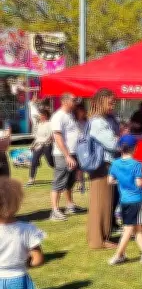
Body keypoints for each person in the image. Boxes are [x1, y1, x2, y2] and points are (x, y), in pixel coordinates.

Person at [107, 135, 142, 266]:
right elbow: (139, 183)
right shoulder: (137, 164)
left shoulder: (115, 163)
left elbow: (110, 180)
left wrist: (122, 181)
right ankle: (118, 255)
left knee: (137, 228)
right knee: (129, 229)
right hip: (137, 200)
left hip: (124, 200)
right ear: (135, 149)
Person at [86, 89, 121, 250]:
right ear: (101, 102)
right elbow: (113, 144)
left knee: (106, 202)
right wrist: (122, 137)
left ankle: (103, 236)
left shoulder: (107, 119)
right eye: (110, 102)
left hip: (107, 165)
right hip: (101, 166)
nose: (113, 104)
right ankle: (98, 240)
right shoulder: (98, 122)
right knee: (100, 204)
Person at [49, 93, 80, 221]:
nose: (76, 102)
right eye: (73, 100)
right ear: (65, 101)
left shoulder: (70, 115)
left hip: (73, 153)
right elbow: (58, 137)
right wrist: (67, 155)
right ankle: (54, 211)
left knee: (69, 182)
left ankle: (69, 205)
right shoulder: (58, 116)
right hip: (63, 155)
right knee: (59, 181)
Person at [27, 109, 53, 187]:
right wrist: (32, 145)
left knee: (51, 162)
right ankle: (31, 179)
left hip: (47, 145)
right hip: (38, 145)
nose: (40, 116)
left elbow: (51, 136)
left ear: (45, 116)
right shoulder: (38, 124)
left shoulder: (50, 124)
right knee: (33, 161)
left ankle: (61, 173)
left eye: (41, 115)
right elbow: (37, 137)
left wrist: (44, 143)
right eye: (40, 115)